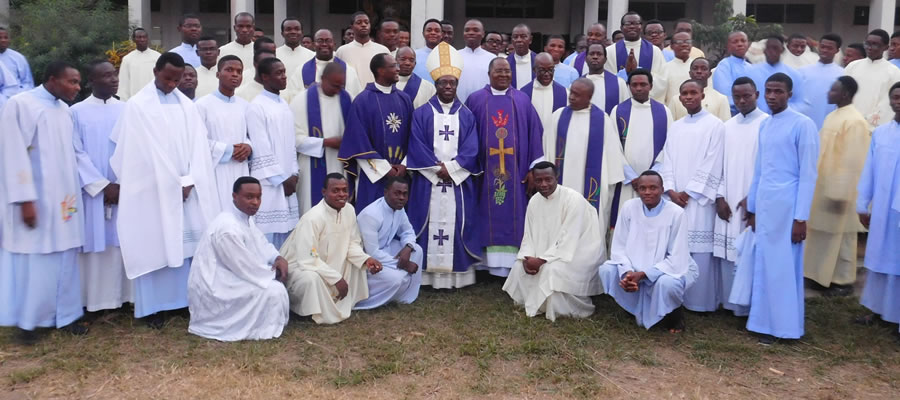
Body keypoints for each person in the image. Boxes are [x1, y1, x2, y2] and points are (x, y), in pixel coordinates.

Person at [110, 52, 219, 329]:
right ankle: (153, 307)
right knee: (155, 244)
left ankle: (182, 302)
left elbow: (198, 146)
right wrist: (172, 183)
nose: (172, 83)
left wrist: (189, 179)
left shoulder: (187, 105)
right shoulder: (138, 106)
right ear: (156, 71)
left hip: (188, 186)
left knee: (186, 246)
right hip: (152, 189)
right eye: (168, 78)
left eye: (177, 79)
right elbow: (139, 153)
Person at [0, 61, 86, 343]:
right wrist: (25, 200)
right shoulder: (22, 105)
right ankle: (30, 323)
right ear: (51, 80)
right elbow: (12, 154)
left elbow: (74, 153)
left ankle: (67, 316)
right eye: (72, 82)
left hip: (65, 199)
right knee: (38, 262)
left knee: (66, 257)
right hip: (36, 201)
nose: (77, 87)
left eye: (78, 82)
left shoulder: (64, 110)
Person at [743, 73, 818, 344]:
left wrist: (801, 218)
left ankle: (785, 328)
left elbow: (808, 175)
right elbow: (760, 169)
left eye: (778, 91)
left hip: (788, 206)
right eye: (769, 91)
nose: (772, 96)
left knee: (784, 268)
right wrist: (752, 207)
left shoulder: (803, 125)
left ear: (789, 94)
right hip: (765, 205)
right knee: (764, 264)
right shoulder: (766, 124)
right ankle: (762, 323)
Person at [407, 42, 482, 288]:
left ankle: (456, 278)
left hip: (457, 182)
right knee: (428, 223)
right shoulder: (421, 114)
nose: (448, 87)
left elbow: (472, 148)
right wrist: (436, 170)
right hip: (429, 181)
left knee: (457, 222)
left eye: (452, 83)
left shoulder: (467, 115)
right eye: (443, 83)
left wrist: (450, 169)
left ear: (457, 85)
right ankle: (428, 276)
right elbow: (416, 144)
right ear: (436, 85)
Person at [465, 57, 544, 277]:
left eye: (507, 71)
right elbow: (467, 134)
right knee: (483, 212)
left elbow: (534, 133)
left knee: (514, 213)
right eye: (499, 71)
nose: (503, 75)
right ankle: (482, 263)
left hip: (516, 171)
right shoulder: (476, 100)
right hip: (483, 172)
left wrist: (533, 169)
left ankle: (511, 263)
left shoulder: (521, 100)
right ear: (489, 74)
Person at [187, 177, 289, 341]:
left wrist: (277, 257)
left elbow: (261, 243)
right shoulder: (227, 227)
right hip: (217, 287)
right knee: (274, 291)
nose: (255, 202)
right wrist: (272, 274)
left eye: (259, 197)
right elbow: (242, 266)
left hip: (234, 276)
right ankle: (259, 329)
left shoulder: (243, 218)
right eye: (249, 197)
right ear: (235, 196)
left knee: (276, 287)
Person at [503, 162, 605, 321]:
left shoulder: (573, 199)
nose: (544, 184)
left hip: (578, 254)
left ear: (556, 178)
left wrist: (543, 260)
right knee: (518, 266)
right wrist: (527, 257)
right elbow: (528, 234)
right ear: (533, 180)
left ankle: (563, 310)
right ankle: (537, 304)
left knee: (552, 270)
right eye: (539, 180)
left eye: (548, 179)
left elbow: (569, 237)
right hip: (550, 252)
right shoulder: (535, 200)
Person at [598, 171, 698, 332]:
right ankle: (634, 308)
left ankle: (674, 314)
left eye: (653, 188)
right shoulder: (629, 207)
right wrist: (629, 273)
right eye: (643, 188)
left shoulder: (676, 213)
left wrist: (645, 274)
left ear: (662, 189)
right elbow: (619, 246)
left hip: (669, 268)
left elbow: (677, 257)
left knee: (668, 284)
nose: (647, 192)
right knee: (607, 270)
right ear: (637, 189)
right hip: (635, 266)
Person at [72, 60, 132, 314]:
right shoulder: (76, 112)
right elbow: (75, 152)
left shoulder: (127, 109)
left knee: (123, 242)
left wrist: (121, 184)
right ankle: (95, 301)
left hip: (124, 189)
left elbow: (135, 148)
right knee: (95, 243)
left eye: (114, 74)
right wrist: (102, 185)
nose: (113, 79)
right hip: (92, 192)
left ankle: (124, 298)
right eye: (106, 75)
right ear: (92, 81)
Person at [280, 174, 382, 324]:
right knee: (310, 279)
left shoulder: (349, 210)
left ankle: (341, 303)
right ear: (324, 192)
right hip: (303, 266)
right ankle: (311, 312)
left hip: (332, 263)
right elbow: (309, 257)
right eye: (335, 191)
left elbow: (352, 243)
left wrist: (367, 259)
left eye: (344, 190)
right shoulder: (312, 218)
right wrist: (336, 278)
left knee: (358, 265)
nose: (341, 195)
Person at [660, 79, 725, 313]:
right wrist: (670, 189)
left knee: (699, 252)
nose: (688, 97)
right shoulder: (676, 127)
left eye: (693, 93)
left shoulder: (715, 125)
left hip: (698, 200)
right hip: (676, 198)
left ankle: (700, 302)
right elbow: (666, 158)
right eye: (684, 93)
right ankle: (678, 298)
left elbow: (713, 162)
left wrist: (689, 192)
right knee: (677, 248)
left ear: (702, 95)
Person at [804, 77, 869, 296]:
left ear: (845, 94)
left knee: (843, 236)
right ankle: (819, 277)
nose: (828, 93)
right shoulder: (833, 116)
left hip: (840, 190)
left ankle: (842, 281)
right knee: (822, 234)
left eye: (833, 90)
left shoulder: (855, 121)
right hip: (822, 184)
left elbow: (853, 160)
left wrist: (840, 192)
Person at [713, 77, 767, 317]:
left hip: (753, 200)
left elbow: (768, 168)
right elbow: (719, 166)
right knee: (728, 252)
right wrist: (719, 196)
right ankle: (729, 303)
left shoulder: (767, 124)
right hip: (728, 198)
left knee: (749, 251)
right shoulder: (727, 126)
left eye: (747, 96)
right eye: (737, 97)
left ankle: (749, 307)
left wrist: (754, 200)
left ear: (757, 94)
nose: (742, 101)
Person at [544, 78, 626, 234]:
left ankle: (591, 257)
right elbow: (547, 148)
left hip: (590, 188)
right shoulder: (558, 116)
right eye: (571, 93)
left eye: (577, 95)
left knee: (589, 226)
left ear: (589, 97)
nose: (572, 97)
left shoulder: (602, 120)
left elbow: (613, 156)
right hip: (563, 181)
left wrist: (609, 183)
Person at [337, 53, 414, 212]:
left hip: (402, 176)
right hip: (373, 176)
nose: (398, 69)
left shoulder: (405, 99)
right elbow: (358, 142)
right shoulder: (362, 101)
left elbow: (414, 136)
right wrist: (386, 169)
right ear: (380, 71)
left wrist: (404, 165)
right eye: (393, 66)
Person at [855, 82, 900, 332]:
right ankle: (878, 309)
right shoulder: (882, 134)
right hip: (883, 210)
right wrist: (863, 204)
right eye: (895, 96)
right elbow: (869, 171)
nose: (899, 101)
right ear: (890, 100)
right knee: (880, 259)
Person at [246, 57, 299, 248]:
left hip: (287, 181)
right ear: (265, 77)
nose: (284, 77)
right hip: (269, 183)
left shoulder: (283, 105)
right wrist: (280, 180)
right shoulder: (256, 106)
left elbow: (291, 143)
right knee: (266, 238)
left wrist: (294, 174)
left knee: (287, 238)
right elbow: (260, 148)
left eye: (284, 72)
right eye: (279, 73)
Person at [610, 69, 672, 226]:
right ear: (628, 86)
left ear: (651, 86)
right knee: (625, 222)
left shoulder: (664, 112)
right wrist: (632, 177)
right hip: (628, 181)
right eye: (634, 84)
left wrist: (653, 176)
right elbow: (613, 147)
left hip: (654, 181)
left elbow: (669, 146)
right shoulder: (618, 111)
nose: (638, 88)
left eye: (643, 84)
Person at [291, 62, 352, 214]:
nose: (338, 90)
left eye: (341, 86)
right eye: (334, 85)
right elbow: (293, 138)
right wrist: (325, 143)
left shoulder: (346, 98)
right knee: (311, 211)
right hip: (311, 165)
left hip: (339, 164)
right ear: (323, 79)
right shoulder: (301, 101)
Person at [354, 176, 422, 309]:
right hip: (366, 260)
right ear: (386, 192)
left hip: (385, 250)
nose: (401, 197)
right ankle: (367, 301)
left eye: (404, 194)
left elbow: (407, 232)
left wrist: (408, 247)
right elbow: (372, 252)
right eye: (397, 193)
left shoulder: (399, 208)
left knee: (417, 249)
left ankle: (404, 296)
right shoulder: (371, 214)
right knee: (395, 278)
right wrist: (404, 264)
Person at [196, 55, 252, 211]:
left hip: (240, 168)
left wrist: (248, 147)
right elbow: (197, 141)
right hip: (216, 170)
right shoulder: (202, 105)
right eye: (229, 70)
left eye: (239, 71)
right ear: (218, 74)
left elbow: (251, 136)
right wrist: (228, 150)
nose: (235, 74)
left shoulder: (245, 106)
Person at [285, 29, 362, 102]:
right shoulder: (301, 71)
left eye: (328, 41)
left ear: (334, 45)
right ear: (314, 45)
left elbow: (356, 98)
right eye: (320, 41)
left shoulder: (348, 71)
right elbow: (293, 98)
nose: (324, 44)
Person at [844, 29, 900, 128]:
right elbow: (843, 92)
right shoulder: (852, 66)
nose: (869, 48)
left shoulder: (894, 72)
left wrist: (868, 122)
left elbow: (888, 103)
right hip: (848, 122)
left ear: (886, 47)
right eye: (867, 44)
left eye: (875, 44)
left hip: (873, 127)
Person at [604, 12, 666, 101]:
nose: (632, 26)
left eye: (636, 23)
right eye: (628, 24)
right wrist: (625, 74)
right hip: (620, 101)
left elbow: (662, 81)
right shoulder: (609, 51)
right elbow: (607, 80)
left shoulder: (655, 51)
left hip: (646, 103)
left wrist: (637, 71)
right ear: (621, 28)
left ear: (641, 27)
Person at [798, 33, 844, 130]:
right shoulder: (803, 71)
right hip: (805, 119)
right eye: (822, 47)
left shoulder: (842, 74)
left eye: (829, 48)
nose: (825, 50)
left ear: (837, 50)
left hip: (831, 121)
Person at [749, 36, 805, 114]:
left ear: (782, 50)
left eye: (775, 48)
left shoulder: (794, 74)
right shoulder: (751, 72)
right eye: (769, 48)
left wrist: (780, 110)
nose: (771, 51)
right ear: (764, 51)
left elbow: (800, 103)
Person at [335, 12, 390, 86]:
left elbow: (389, 76)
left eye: (366, 22)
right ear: (352, 27)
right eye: (359, 22)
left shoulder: (383, 50)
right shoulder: (342, 51)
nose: (364, 25)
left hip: (376, 95)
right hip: (351, 95)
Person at [520, 53, 568, 133]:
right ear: (534, 70)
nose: (547, 74)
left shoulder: (564, 92)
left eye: (550, 69)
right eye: (542, 70)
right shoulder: (524, 93)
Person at [712, 31, 752, 115]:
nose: (740, 44)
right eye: (735, 42)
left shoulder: (751, 67)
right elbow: (725, 95)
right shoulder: (724, 65)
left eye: (743, 41)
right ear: (728, 46)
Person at [584, 44, 629, 114]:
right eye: (592, 54)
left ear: (605, 59)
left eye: (599, 54)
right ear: (586, 59)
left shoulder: (619, 83)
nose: (595, 57)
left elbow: (626, 109)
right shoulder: (577, 84)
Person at [117, 28, 161, 100]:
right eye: (139, 37)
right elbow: (123, 83)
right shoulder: (127, 59)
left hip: (154, 98)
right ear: (134, 39)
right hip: (134, 99)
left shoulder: (157, 56)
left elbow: (161, 78)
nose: (142, 39)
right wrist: (125, 101)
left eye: (144, 37)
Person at [457, 19, 495, 103]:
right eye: (467, 30)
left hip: (485, 105)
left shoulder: (492, 59)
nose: (471, 32)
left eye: (475, 30)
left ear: (483, 34)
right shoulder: (454, 56)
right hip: (458, 107)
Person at [660, 31, 694, 106]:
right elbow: (661, 97)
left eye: (688, 41)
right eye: (679, 42)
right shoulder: (664, 69)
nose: (684, 44)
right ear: (671, 46)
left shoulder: (698, 68)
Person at [0, 27, 34, 93]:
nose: (3, 40)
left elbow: (28, 83)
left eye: (6, 37)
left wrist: (19, 96)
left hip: (16, 96)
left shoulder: (18, 57)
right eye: (0, 38)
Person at [413, 19, 444, 83]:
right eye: (429, 30)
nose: (433, 33)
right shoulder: (414, 55)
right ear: (423, 33)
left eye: (437, 31)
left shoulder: (449, 56)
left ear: (441, 35)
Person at [508, 24, 537, 89]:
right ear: (512, 40)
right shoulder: (506, 62)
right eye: (515, 37)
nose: (519, 40)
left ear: (530, 39)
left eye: (523, 36)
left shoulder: (538, 61)